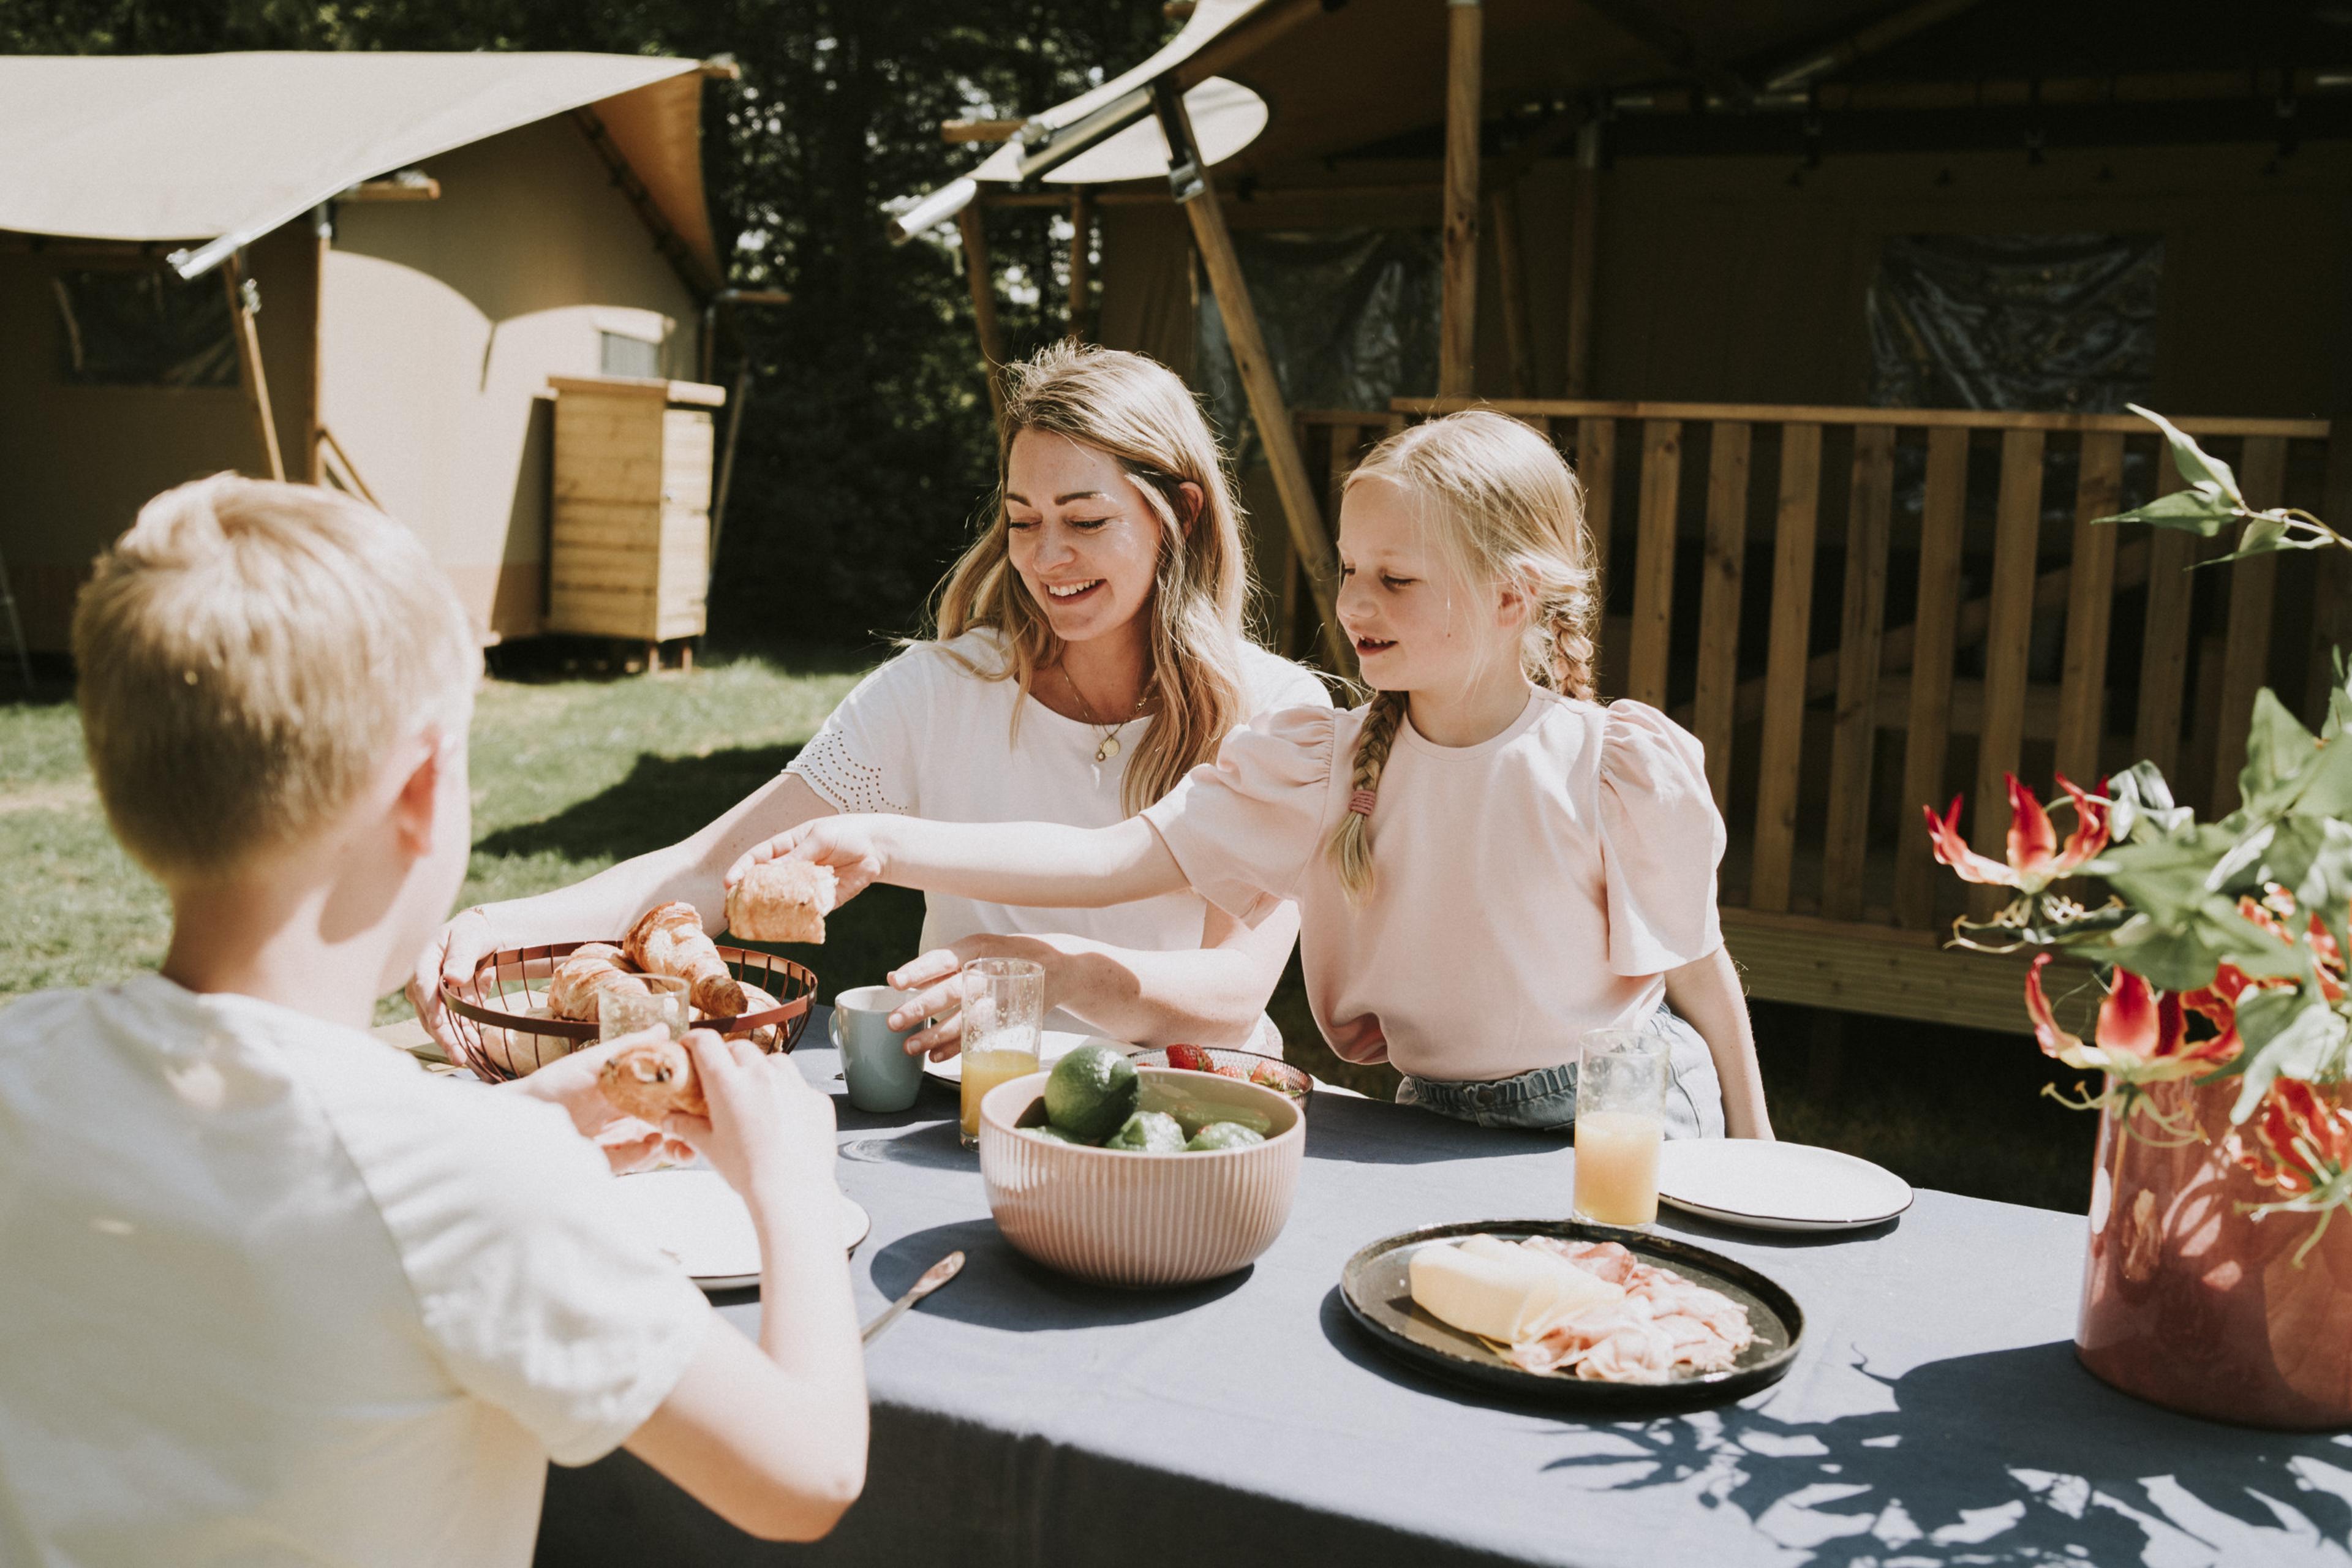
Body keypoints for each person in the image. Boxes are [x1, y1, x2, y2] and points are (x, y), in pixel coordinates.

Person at [0, 477, 867, 1566]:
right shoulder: (471, 1183)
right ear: (422, 788)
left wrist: (532, 1123)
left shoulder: (18, 1070)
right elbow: (807, 1475)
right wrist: (790, 1187)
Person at [731, 411, 1774, 1139]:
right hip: (1431, 1120)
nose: (1357, 605)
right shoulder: (1322, 765)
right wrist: (881, 841)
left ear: (1516, 597)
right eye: (1351, 574)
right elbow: (1115, 856)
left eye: (1397, 580)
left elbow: (1700, 971)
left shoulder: (1614, 764)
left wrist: (1760, 1147)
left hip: (1622, 1114)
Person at [411, 344, 1327, 1060]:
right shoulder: (937, 690)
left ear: (1184, 515)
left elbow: (1234, 991)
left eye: (1086, 522)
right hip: (959, 1110)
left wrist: (1048, 976)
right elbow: (712, 867)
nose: (1048, 559)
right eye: (1021, 520)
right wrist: (497, 926)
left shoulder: (1278, 712)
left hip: (1192, 1117)